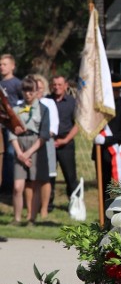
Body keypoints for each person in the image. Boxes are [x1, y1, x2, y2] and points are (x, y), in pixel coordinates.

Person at [9, 76, 50, 224]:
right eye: (25, 91)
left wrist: (28, 153)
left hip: (36, 146)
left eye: (31, 91)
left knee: (35, 183)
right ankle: (17, 218)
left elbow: (44, 134)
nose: (28, 94)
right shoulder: (16, 109)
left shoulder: (43, 109)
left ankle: (32, 217)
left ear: (36, 91)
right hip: (19, 145)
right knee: (18, 186)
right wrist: (20, 153)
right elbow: (11, 132)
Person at [92, 74, 121, 211]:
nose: (116, 92)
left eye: (118, 90)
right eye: (114, 90)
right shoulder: (98, 107)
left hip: (118, 152)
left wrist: (106, 139)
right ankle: (104, 218)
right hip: (101, 153)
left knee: (119, 188)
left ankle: (119, 217)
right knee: (103, 188)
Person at [49, 75, 79, 207]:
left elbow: (78, 124)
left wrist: (65, 140)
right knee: (49, 175)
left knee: (70, 175)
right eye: (54, 84)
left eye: (60, 84)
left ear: (66, 85)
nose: (57, 87)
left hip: (66, 143)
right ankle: (47, 203)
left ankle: (74, 202)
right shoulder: (47, 101)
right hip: (48, 142)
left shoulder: (73, 102)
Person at [32, 74, 58, 218]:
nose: (38, 91)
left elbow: (54, 127)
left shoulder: (49, 103)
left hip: (45, 142)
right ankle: (32, 208)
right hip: (29, 143)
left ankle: (44, 208)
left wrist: (40, 135)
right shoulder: (25, 104)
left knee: (45, 177)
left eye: (41, 88)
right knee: (32, 179)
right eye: (36, 88)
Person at [1, 53, 23, 195]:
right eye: (0, 64)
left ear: (12, 66)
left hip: (11, 124)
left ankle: (9, 186)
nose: (1, 67)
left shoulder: (17, 83)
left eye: (4, 64)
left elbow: (23, 103)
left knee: (10, 154)